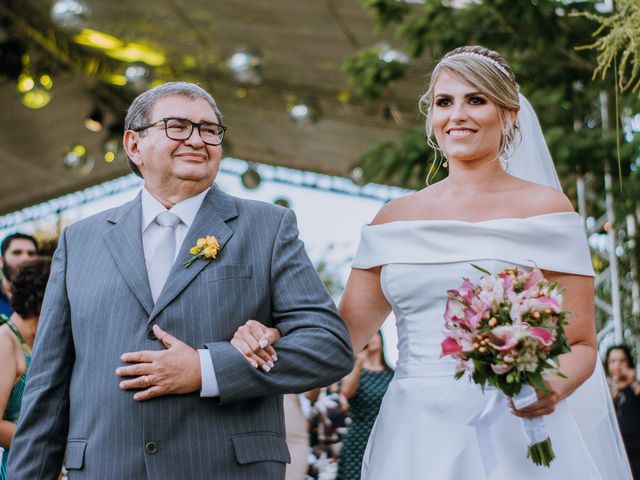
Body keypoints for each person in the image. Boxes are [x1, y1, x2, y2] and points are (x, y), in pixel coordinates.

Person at [8, 82, 354, 480]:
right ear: (134, 145)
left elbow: (329, 346)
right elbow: (47, 387)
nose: (197, 139)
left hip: (225, 469)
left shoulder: (268, 227)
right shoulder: (80, 240)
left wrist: (207, 369)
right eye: (177, 126)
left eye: (209, 130)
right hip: (108, 468)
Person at [336, 46, 633, 478]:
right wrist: (264, 326)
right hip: (416, 434)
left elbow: (583, 344)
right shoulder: (393, 217)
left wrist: (547, 386)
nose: (457, 114)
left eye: (476, 100)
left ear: (509, 115)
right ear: (432, 117)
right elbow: (340, 336)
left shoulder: (546, 209)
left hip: (516, 426)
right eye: (444, 102)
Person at [0, 257, 51, 479]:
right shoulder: (5, 342)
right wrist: (50, 449)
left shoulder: (35, 342)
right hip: (19, 469)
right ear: (42, 299)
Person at [337, 331, 392, 480]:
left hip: (385, 437)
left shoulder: (391, 374)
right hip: (359, 437)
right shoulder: (357, 370)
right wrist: (359, 361)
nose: (371, 338)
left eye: (375, 335)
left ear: (381, 339)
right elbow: (346, 392)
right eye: (369, 335)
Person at [605, 345, 640, 478]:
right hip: (616, 456)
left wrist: (633, 381)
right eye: (613, 361)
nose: (618, 365)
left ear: (628, 362)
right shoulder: (606, 391)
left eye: (622, 360)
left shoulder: (636, 387)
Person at [0, 234, 38, 317]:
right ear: (1, 261)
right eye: (17, 253)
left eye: (31, 253)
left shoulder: (46, 297)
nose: (25, 258)